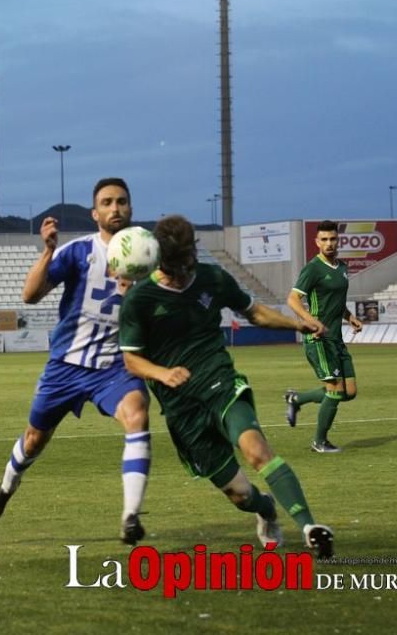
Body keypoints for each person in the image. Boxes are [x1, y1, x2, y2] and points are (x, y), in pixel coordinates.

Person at [118, 215, 333, 556]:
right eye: (177, 265)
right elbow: (131, 359)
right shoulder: (139, 299)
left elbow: (255, 313)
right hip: (181, 409)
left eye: (189, 260)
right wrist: (161, 373)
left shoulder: (212, 278)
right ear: (160, 259)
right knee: (240, 495)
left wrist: (298, 325)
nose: (185, 271)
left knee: (256, 450)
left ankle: (310, 527)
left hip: (219, 382)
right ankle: (265, 510)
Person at [0, 177, 153, 545]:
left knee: (137, 414)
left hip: (114, 368)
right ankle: (6, 487)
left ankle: (130, 516)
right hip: (66, 366)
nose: (115, 208)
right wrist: (46, 251)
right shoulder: (78, 253)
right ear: (95, 214)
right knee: (34, 440)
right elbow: (29, 296)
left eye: (121, 201)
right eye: (107, 202)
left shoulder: (147, 256)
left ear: (131, 208)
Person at [284, 220, 364, 453]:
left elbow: (336, 303)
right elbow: (292, 299)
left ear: (338, 240)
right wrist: (310, 320)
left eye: (333, 239)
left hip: (336, 339)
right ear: (317, 242)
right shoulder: (313, 269)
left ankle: (296, 399)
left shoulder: (342, 268)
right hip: (318, 340)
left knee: (348, 392)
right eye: (324, 239)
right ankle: (319, 442)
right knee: (335, 391)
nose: (329, 243)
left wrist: (350, 317)